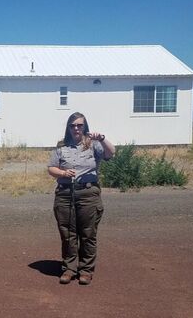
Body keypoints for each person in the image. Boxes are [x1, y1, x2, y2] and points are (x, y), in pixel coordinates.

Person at [47, 112, 115, 285]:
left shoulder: (93, 144)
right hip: (65, 193)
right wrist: (62, 172)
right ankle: (69, 268)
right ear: (68, 128)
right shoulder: (61, 146)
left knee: (87, 233)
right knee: (68, 234)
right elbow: (51, 168)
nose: (76, 128)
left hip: (87, 194)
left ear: (85, 127)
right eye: (73, 125)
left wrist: (103, 138)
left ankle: (86, 270)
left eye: (79, 125)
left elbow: (110, 153)